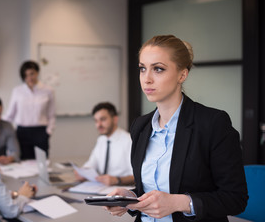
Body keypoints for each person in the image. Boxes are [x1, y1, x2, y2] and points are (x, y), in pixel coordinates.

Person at [105, 35, 248, 221]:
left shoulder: (212, 123)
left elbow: (235, 199)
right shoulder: (140, 126)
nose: (146, 79)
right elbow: (148, 190)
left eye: (158, 69)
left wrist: (178, 203)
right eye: (142, 68)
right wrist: (129, 197)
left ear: (182, 74)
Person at [4, 60, 56, 159]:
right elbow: (10, 114)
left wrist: (49, 132)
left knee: (42, 163)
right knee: (24, 163)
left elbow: (51, 115)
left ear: (37, 72)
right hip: (22, 132)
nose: (29, 78)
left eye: (32, 74)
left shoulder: (48, 90)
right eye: (26, 75)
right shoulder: (17, 91)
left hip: (41, 132)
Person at [76, 102, 134, 186]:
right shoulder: (101, 139)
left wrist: (117, 180)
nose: (98, 125)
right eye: (96, 121)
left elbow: (138, 175)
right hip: (101, 187)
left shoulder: (129, 141)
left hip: (122, 189)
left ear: (115, 119)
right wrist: (82, 172)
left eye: (103, 119)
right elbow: (92, 163)